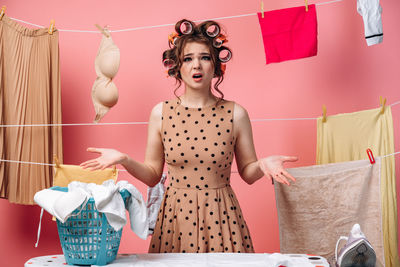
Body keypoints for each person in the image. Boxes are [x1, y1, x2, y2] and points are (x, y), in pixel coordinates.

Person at [80, 19, 298, 253]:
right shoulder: (160, 113)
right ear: (177, 66)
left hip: (222, 218)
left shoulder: (236, 113)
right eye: (188, 58)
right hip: (175, 220)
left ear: (215, 66)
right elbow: (153, 175)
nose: (197, 65)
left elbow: (247, 173)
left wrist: (262, 164)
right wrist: (124, 159)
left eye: (204, 57)